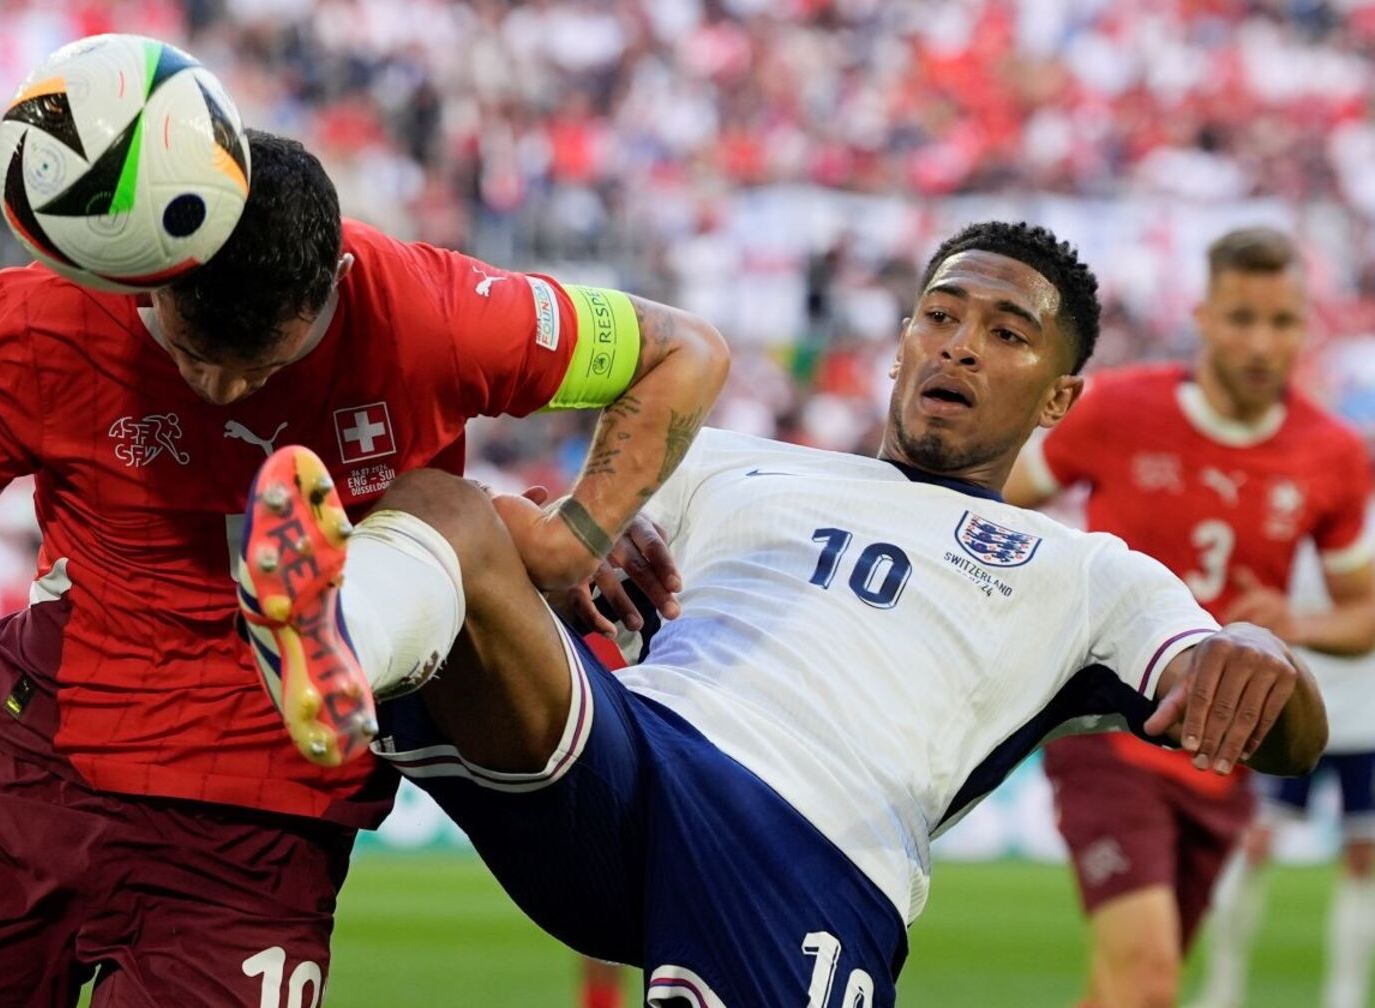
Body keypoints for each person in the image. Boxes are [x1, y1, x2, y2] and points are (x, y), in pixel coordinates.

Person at [0, 129, 728, 1005]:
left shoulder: (432, 311)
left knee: (449, 525)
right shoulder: (37, 322)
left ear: (330, 294)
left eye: (251, 366)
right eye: (189, 350)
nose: (215, 391)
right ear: (153, 280)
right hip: (30, 768)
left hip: (266, 820)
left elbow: (686, 349)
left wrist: (573, 535)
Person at [235, 221, 1328, 1006]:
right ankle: (332, 643)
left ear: (1058, 398)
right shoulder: (728, 464)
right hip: (627, 757)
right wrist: (580, 538)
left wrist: (1267, 652)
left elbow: (1261, 717)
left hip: (807, 849)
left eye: (1005, 333)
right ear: (900, 342)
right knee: (449, 509)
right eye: (939, 317)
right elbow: (545, 550)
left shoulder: (1092, 572)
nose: (957, 346)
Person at [1004, 226, 1375, 1008]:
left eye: (1282, 322)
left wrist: (1296, 627)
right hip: (1108, 726)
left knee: (1123, 989)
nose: (1261, 342)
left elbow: (1365, 614)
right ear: (1204, 317)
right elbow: (995, 501)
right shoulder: (1116, 410)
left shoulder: (1333, 453)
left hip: (1221, 748)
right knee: (1147, 984)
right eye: (1242, 317)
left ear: (1307, 327)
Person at [1193, 530, 1375, 1008]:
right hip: (1292, 707)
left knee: (1363, 857)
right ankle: (1222, 987)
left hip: (1368, 715)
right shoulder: (1293, 521)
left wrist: (1302, 624)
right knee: (1252, 844)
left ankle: (1346, 995)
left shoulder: (1357, 527)